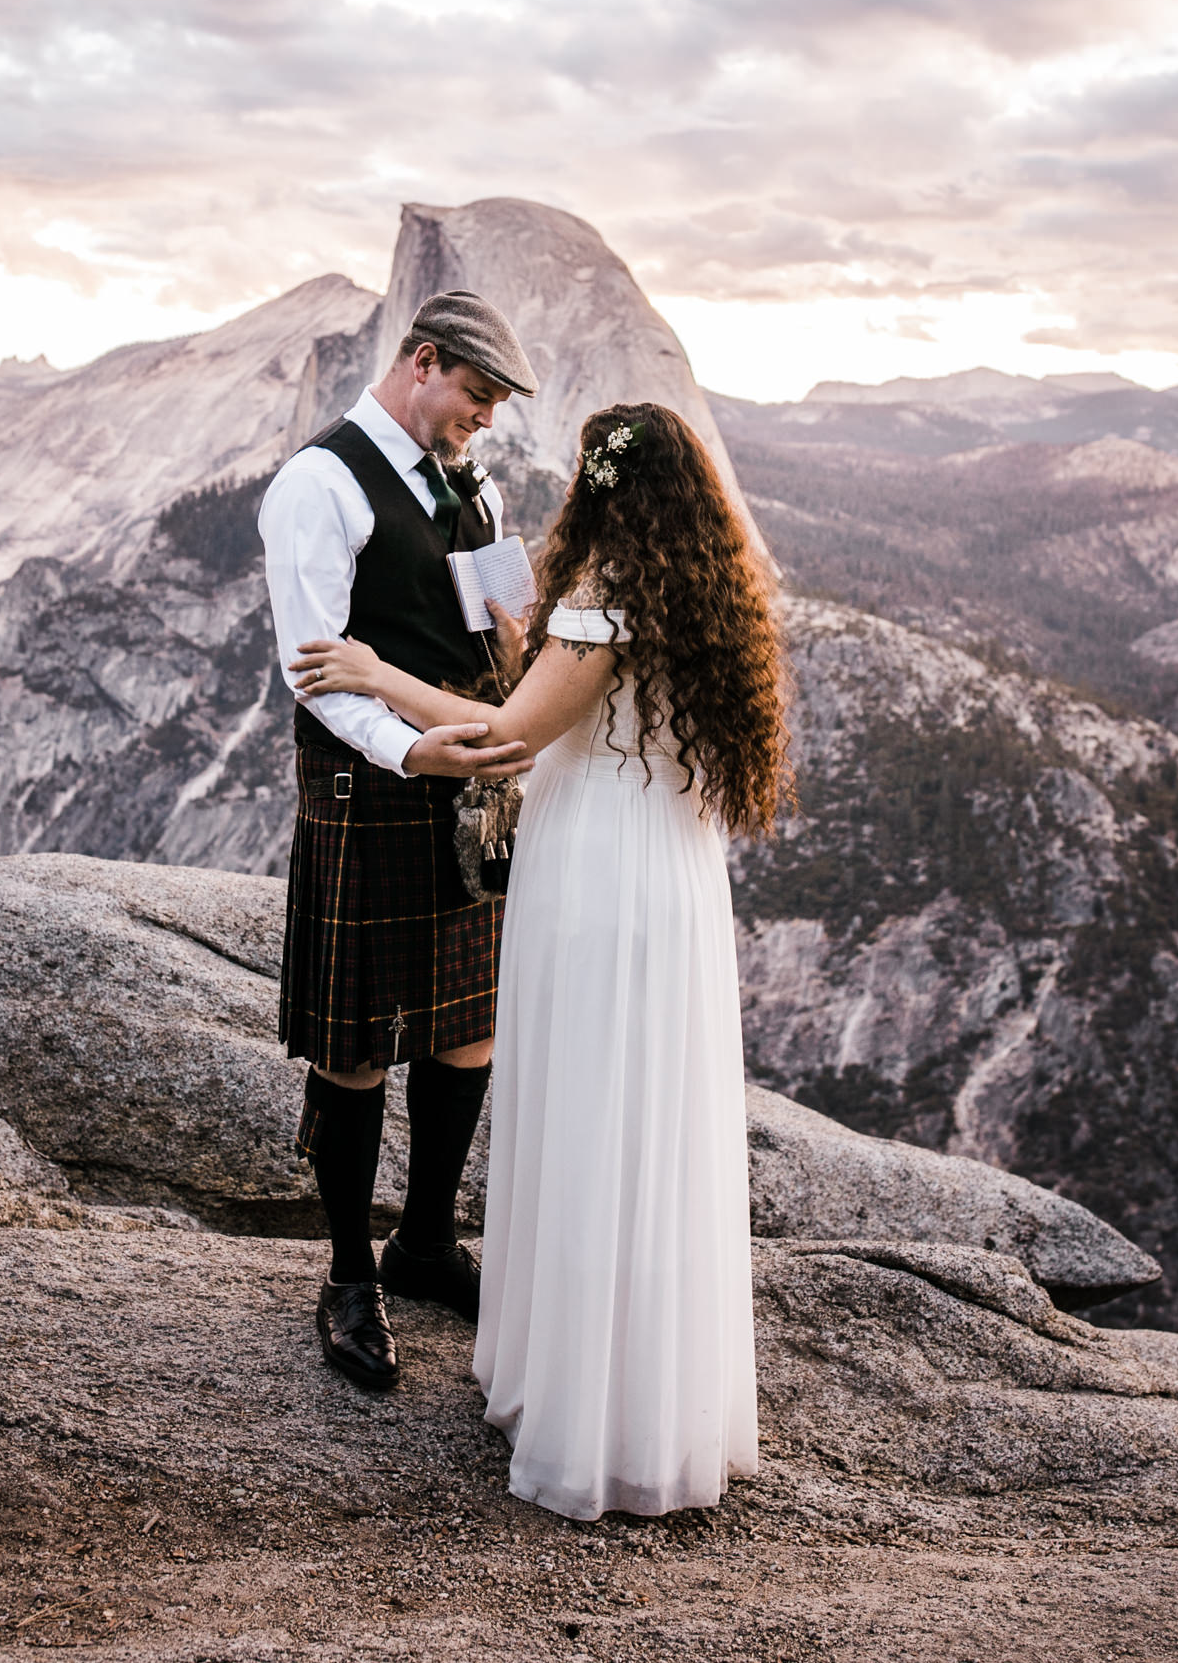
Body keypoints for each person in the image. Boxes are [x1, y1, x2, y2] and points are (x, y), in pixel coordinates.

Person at [293, 402, 789, 1520]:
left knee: (589, 1114)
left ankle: (580, 1408)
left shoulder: (606, 589)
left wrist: (373, 672)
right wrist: (529, 643)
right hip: (667, 870)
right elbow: (583, 699)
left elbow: (509, 737)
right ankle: (652, 1400)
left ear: (599, 484)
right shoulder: (694, 588)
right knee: (646, 1123)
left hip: (597, 878)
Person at [258, 290, 538, 1396]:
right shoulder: (316, 486)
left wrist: (517, 668)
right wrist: (414, 753)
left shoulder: (476, 483)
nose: (482, 422)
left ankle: (421, 1244)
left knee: (465, 1031)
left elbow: (497, 629)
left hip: (470, 787)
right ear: (422, 362)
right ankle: (344, 1274)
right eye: (474, 397)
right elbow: (316, 674)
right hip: (368, 787)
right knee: (359, 1041)